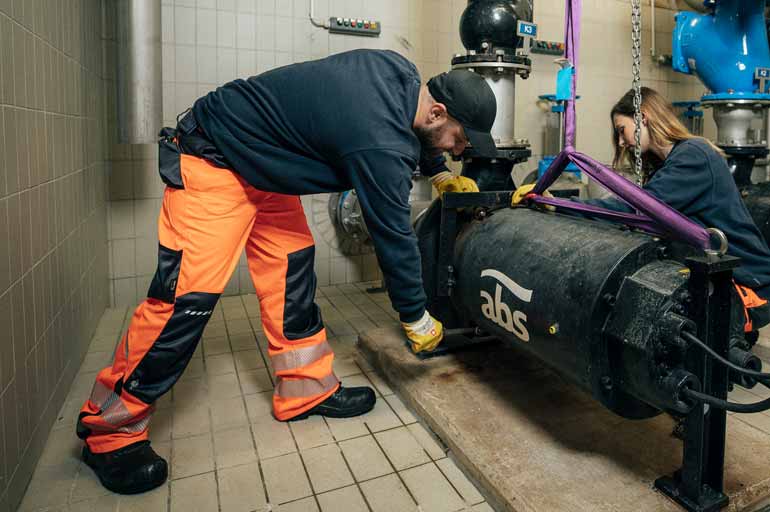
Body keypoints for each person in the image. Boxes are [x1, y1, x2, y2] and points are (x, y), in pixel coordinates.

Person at [76, 49, 494, 494]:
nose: (458, 150)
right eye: (458, 140)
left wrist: (437, 171)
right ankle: (109, 431)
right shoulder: (378, 138)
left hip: (264, 168)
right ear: (437, 112)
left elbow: (408, 130)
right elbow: (393, 235)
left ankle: (305, 390)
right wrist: (414, 314)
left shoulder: (401, 73)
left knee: (292, 278)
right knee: (184, 302)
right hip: (213, 159)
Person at [517, 87, 770, 335]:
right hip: (725, 275)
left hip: (749, 286)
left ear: (643, 118)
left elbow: (634, 211)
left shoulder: (693, 157)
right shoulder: (675, 162)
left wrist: (560, 205)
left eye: (621, 130)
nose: (620, 142)